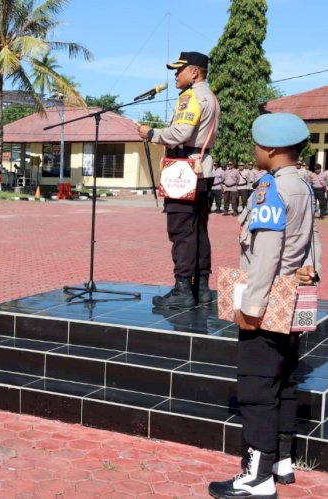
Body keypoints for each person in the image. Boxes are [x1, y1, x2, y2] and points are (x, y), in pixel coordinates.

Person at [208, 113, 321, 499]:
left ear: (271, 149)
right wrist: (312, 269)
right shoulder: (303, 186)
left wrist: (251, 306)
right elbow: (313, 236)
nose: (254, 151)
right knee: (285, 378)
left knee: (256, 387)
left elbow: (267, 254)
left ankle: (257, 477)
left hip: (270, 297)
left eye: (257, 145)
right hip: (296, 296)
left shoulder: (270, 188)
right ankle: (281, 461)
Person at [137, 51, 220, 308]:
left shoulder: (191, 96)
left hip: (185, 170)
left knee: (182, 231)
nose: (175, 75)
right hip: (202, 169)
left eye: (179, 70)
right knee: (198, 230)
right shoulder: (210, 96)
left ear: (194, 72)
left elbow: (179, 133)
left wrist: (151, 133)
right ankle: (202, 287)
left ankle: (183, 289)